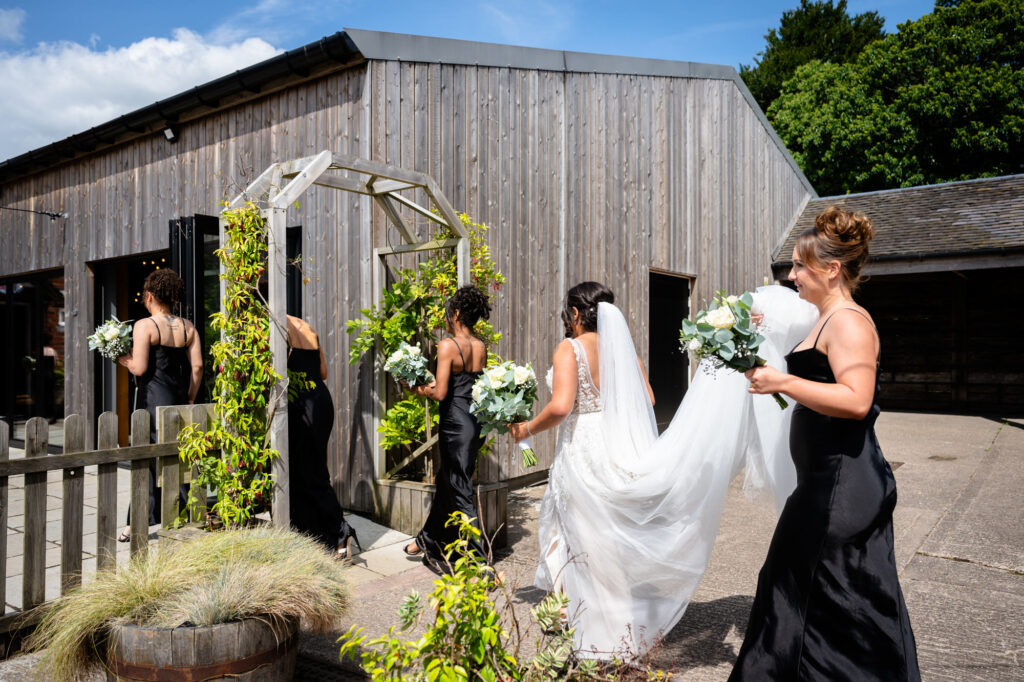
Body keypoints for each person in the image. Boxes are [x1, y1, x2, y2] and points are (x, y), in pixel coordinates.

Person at [510, 281, 818, 658]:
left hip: (584, 446)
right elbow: (650, 398)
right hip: (618, 441)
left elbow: (560, 407)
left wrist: (524, 429)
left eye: (567, 313)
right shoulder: (621, 351)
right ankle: (594, 610)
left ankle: (597, 622)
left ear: (575, 313)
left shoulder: (569, 348)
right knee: (605, 531)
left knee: (582, 531)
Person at [733, 206, 920, 680]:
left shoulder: (850, 322)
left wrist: (783, 383)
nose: (792, 275)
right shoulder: (822, 318)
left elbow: (856, 401)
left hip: (842, 486)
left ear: (831, 269)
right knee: (796, 591)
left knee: (835, 601)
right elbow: (797, 350)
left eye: (799, 265)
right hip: (820, 482)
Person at [402, 285, 491, 570]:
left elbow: (440, 392)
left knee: (460, 488)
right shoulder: (481, 346)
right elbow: (468, 387)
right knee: (447, 481)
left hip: (454, 423)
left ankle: (481, 561)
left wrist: (417, 388)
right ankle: (426, 539)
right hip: (474, 422)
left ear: (455, 313)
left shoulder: (447, 346)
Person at [117, 268, 203, 541]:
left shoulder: (144, 326)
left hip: (153, 401)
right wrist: (189, 397)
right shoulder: (188, 327)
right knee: (182, 458)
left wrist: (122, 359)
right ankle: (185, 514)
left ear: (151, 295)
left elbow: (140, 368)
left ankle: (136, 523)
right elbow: (198, 367)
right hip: (179, 401)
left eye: (144, 295)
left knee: (147, 462)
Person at [286, 314, 360, 559]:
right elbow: (324, 372)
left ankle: (339, 530)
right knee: (311, 469)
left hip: (301, 405)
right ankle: (319, 535)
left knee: (306, 472)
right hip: (320, 401)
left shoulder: (273, 325)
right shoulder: (307, 326)